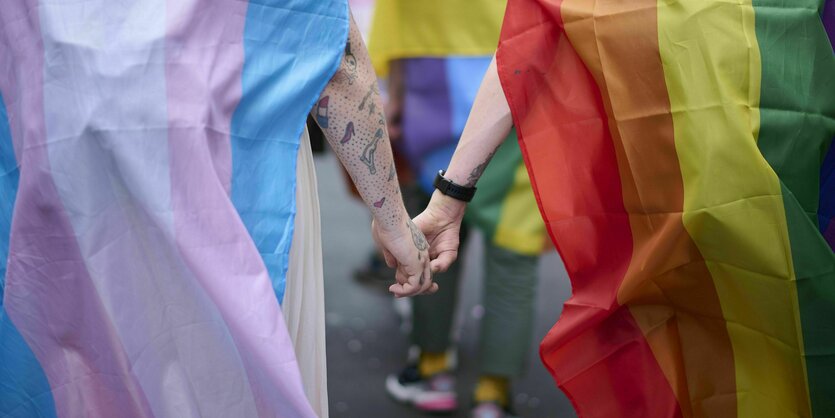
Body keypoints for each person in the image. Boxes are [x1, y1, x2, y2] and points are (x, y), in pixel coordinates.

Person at [0, 2, 433, 417]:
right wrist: (393, 220)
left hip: (63, 168)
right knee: (228, 378)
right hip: (232, 165)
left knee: (84, 374)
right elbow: (328, 51)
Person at [412, 0, 835, 417]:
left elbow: (534, 29)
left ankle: (466, 379)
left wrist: (451, 194)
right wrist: (452, 194)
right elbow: (534, 28)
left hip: (687, 214)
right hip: (744, 213)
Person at [362, 1, 549, 417]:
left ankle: (432, 369)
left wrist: (388, 93)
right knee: (513, 252)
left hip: (432, 74)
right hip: (524, 70)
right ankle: (493, 393)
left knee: (427, 234)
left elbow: (394, 16)